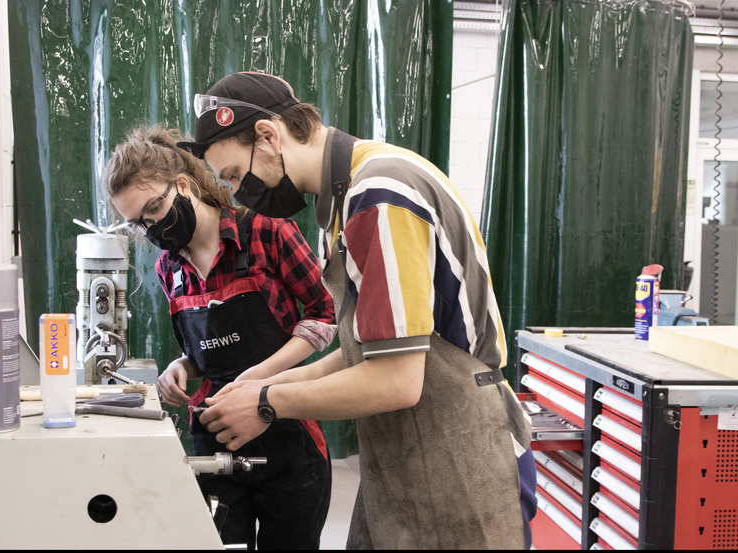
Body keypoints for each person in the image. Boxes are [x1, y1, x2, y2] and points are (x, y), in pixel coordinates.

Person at [177, 71, 539, 550]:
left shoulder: (379, 194)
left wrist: (268, 404)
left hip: (460, 451)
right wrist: (269, 382)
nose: (242, 195)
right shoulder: (347, 199)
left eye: (238, 177)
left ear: (268, 136)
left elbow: (397, 379)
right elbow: (366, 350)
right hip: (411, 451)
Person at [102, 124, 337, 550]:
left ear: (183, 184)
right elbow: (205, 352)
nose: (151, 228)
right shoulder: (169, 269)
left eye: (153, 208)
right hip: (216, 440)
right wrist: (181, 367)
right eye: (137, 224)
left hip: (287, 433)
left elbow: (324, 315)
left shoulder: (267, 231)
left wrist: (258, 378)